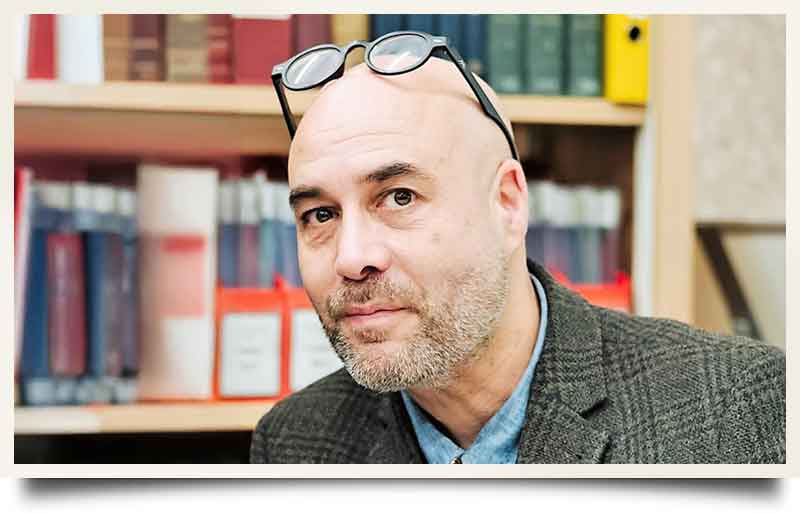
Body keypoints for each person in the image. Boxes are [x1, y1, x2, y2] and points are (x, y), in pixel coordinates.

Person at [250, 34, 785, 464]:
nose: (351, 257)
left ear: (507, 204)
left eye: (399, 197)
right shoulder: (294, 444)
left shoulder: (738, 411)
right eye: (320, 215)